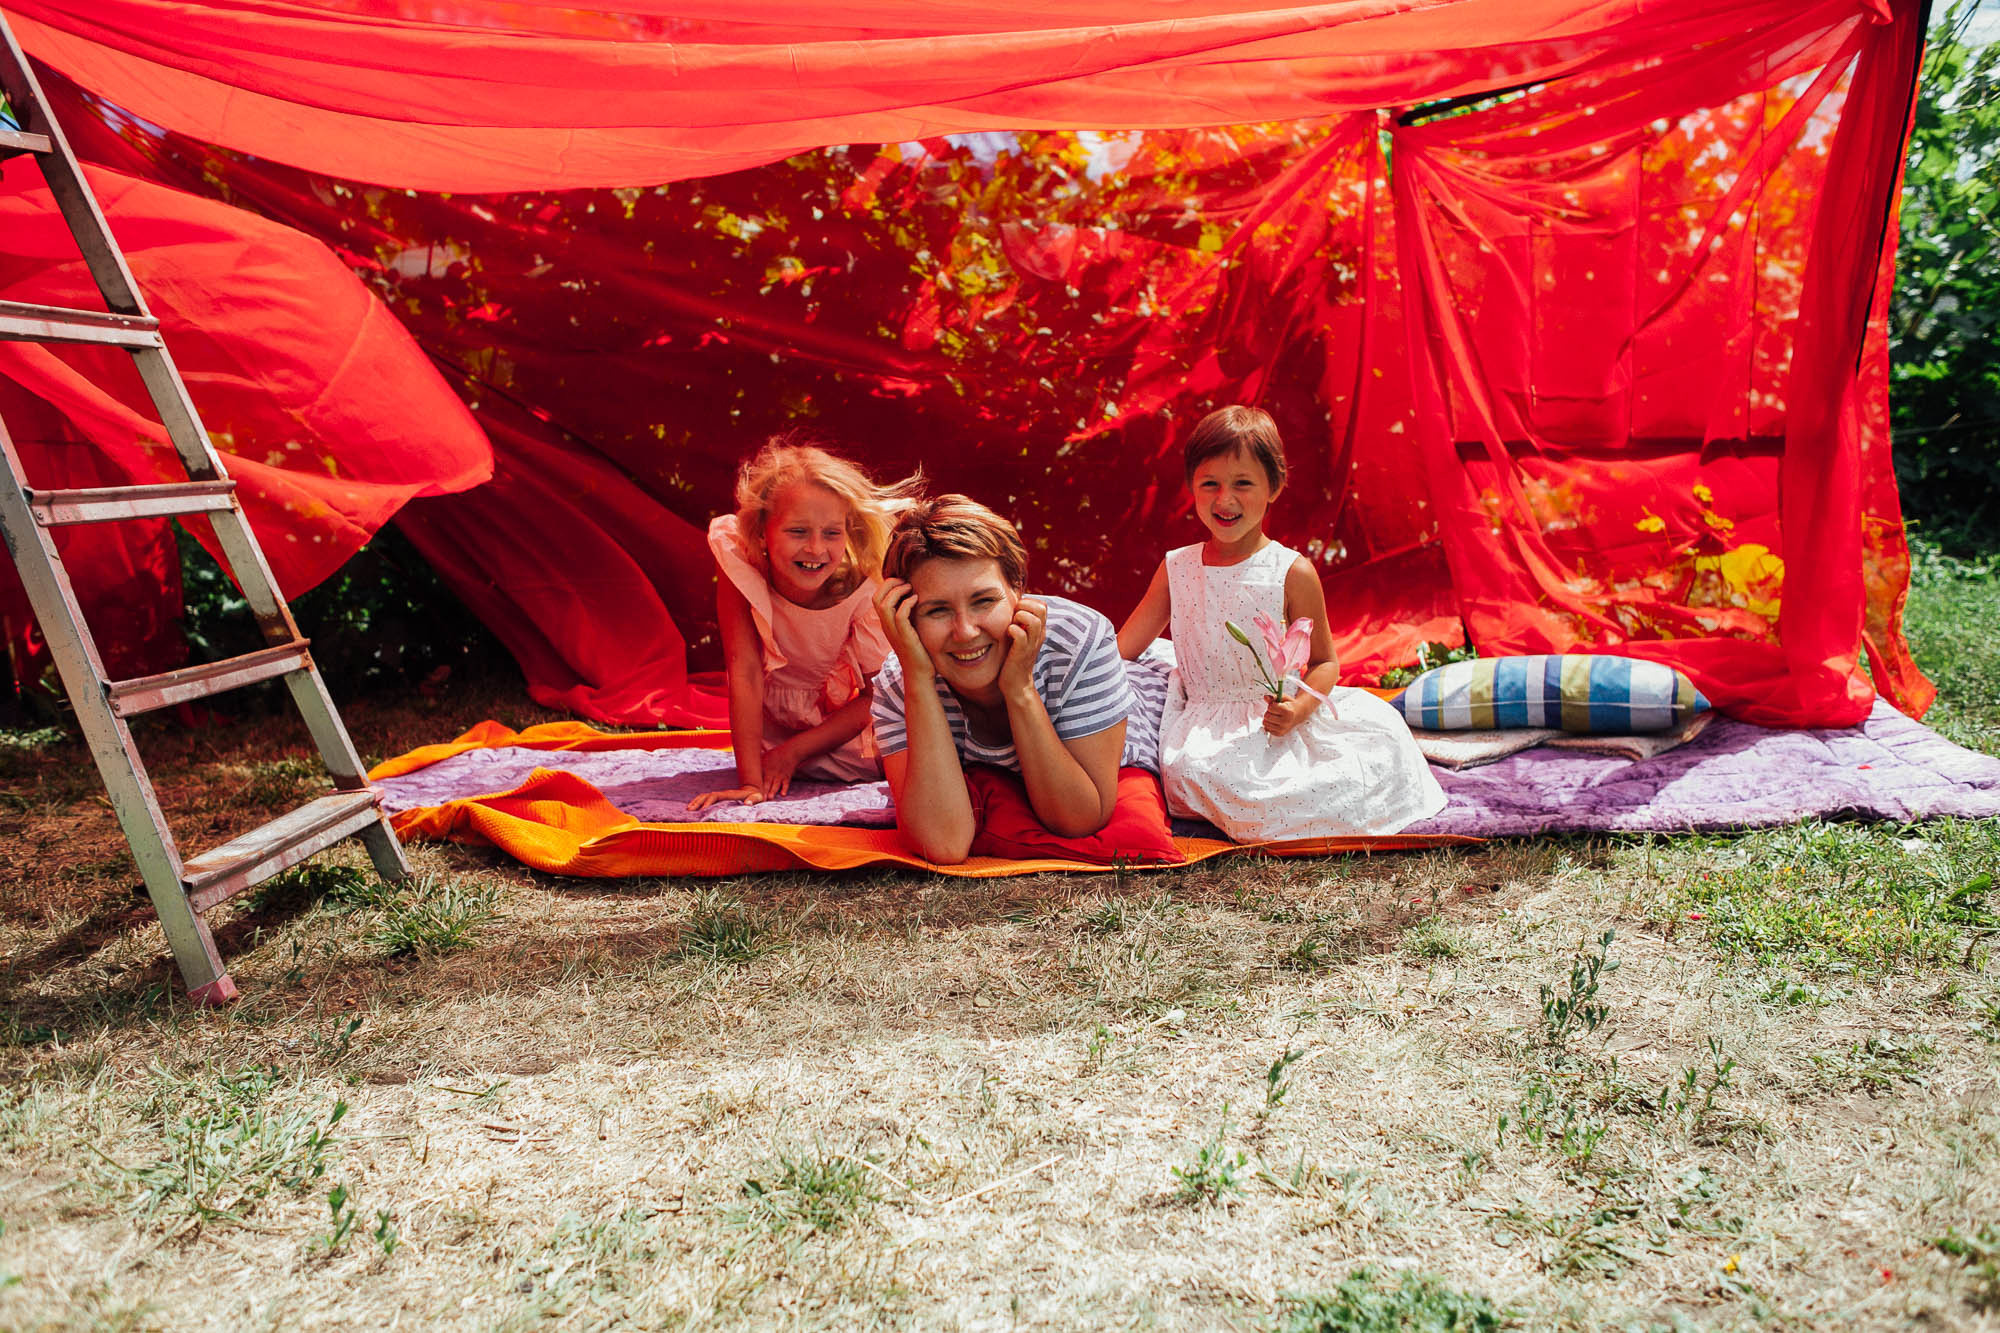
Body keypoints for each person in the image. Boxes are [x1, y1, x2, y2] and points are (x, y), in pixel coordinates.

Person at [1116, 405, 1445, 841]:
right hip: (1205, 728)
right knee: (1199, 773)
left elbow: (1325, 662)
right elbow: (1124, 650)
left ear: (1274, 487)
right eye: (1209, 483)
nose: (1225, 500)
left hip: (1278, 716)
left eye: (1243, 484)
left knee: (1375, 742)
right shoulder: (1177, 569)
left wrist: (1299, 711)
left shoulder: (1291, 572)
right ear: (1192, 486)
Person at [871, 495, 1165, 864]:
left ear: (1017, 590)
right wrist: (919, 680)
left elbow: (1079, 818)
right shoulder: (901, 678)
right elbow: (942, 845)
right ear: (906, 614)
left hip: (1151, 695)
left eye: (983, 601)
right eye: (938, 610)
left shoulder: (1079, 642)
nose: (965, 632)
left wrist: (1020, 689)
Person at [689, 439, 917, 811]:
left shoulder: (863, 589)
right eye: (798, 532)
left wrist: (794, 753)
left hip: (845, 734)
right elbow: (743, 669)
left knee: (895, 756)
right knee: (770, 764)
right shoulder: (739, 563)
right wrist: (749, 782)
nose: (815, 549)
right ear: (762, 531)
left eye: (832, 533)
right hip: (772, 731)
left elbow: (880, 694)